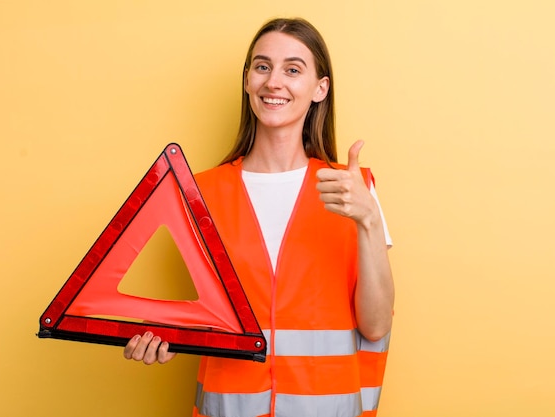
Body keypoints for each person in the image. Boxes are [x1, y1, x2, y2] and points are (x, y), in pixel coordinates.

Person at [124, 17, 394, 417]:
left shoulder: (351, 189)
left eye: (293, 69)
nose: (273, 82)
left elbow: (375, 326)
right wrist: (163, 338)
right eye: (262, 66)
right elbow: (213, 317)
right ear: (248, 80)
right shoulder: (200, 195)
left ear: (320, 88)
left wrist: (368, 219)